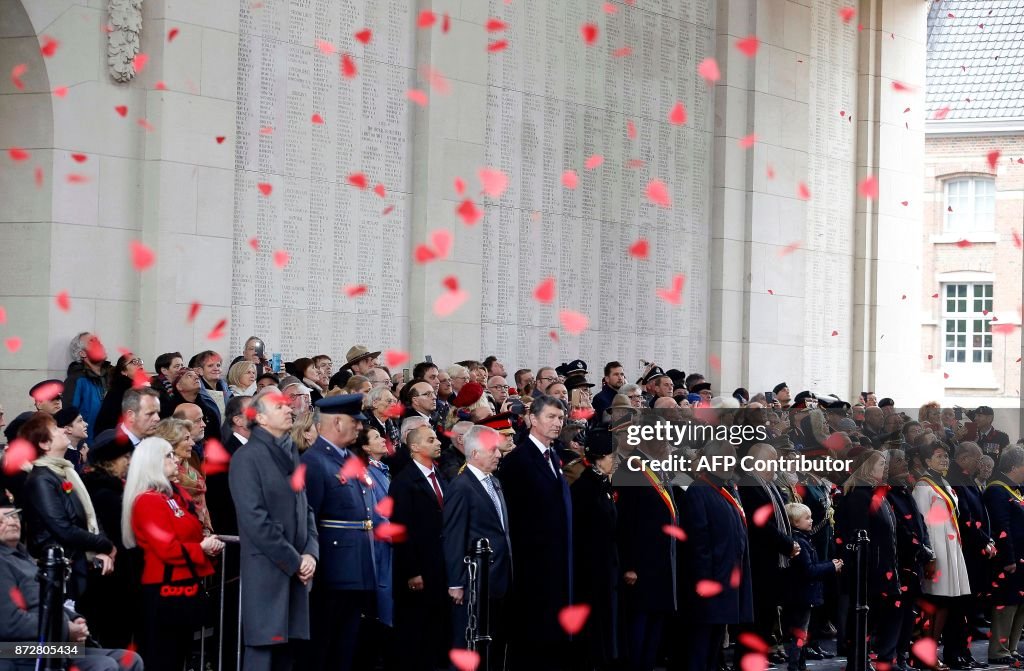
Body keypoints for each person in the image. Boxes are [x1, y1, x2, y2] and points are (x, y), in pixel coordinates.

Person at [229, 387, 318, 671]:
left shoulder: (290, 453)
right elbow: (255, 520)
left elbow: (306, 510)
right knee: (263, 653)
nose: (289, 409)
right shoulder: (247, 457)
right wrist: (296, 561)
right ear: (262, 419)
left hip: (295, 571)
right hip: (269, 571)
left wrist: (311, 554)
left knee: (287, 656)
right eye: (280, 406)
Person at [0, 504, 144, 671]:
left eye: (14, 516)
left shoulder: (25, 558)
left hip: (53, 644)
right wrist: (66, 628)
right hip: (18, 650)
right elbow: (10, 623)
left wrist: (74, 617)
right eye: (3, 519)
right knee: (105, 665)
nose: (12, 522)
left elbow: (49, 600)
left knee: (130, 660)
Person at [123, 437, 224, 671]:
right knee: (164, 655)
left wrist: (204, 544)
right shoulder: (148, 501)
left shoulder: (171, 496)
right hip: (165, 587)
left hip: (181, 583)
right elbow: (165, 547)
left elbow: (191, 528)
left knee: (179, 653)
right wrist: (201, 548)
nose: (176, 459)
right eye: (168, 455)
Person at [498, 395, 573, 670]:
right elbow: (513, 516)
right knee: (531, 639)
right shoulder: (518, 460)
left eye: (560, 418)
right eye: (551, 417)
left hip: (557, 564)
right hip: (531, 567)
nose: (557, 423)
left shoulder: (554, 456)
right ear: (532, 419)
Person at [300, 394, 374, 671]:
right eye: (355, 422)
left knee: (344, 648)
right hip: (330, 571)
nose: (359, 427)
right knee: (322, 647)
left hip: (355, 568)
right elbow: (309, 518)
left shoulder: (346, 458)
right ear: (338, 422)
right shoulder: (315, 462)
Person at [18, 412, 116, 601]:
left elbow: (90, 515)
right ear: (44, 444)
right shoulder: (40, 480)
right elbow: (63, 528)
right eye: (55, 429)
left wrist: (102, 546)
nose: (63, 430)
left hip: (79, 562)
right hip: (62, 569)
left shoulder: (64, 471)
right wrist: (104, 545)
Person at [614, 415, 680, 671]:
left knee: (656, 622)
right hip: (641, 565)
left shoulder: (656, 466)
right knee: (639, 625)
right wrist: (629, 564)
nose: (666, 443)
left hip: (662, 561)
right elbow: (625, 521)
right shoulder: (631, 468)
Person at [442, 425, 512, 665]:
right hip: (474, 583)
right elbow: (453, 536)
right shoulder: (461, 487)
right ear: (475, 454)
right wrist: (455, 583)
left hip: (499, 578)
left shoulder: (494, 482)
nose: (498, 454)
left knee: (493, 645)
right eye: (492, 450)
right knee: (468, 645)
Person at [681, 442, 753, 671]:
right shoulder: (698, 490)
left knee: (714, 647)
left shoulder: (723, 490)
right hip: (710, 584)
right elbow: (698, 542)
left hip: (726, 582)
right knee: (700, 647)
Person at [389, 424, 449, 670]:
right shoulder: (404, 482)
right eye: (431, 439)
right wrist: (412, 570)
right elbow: (400, 529)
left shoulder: (441, 476)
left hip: (441, 566)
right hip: (419, 568)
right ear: (414, 447)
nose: (438, 443)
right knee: (416, 628)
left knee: (437, 627)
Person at [834, 451, 901, 669]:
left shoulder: (872, 492)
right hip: (867, 570)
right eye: (881, 463)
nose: (885, 468)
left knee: (872, 616)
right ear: (867, 467)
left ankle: (865, 657)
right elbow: (860, 536)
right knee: (863, 616)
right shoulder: (858, 496)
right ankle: (858, 660)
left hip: (881, 565)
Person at [736, 443, 799, 666]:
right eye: (772, 460)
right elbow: (760, 523)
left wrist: (790, 542)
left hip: (774, 561)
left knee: (768, 614)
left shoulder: (770, 486)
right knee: (757, 615)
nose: (776, 465)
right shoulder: (749, 484)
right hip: (759, 560)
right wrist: (787, 544)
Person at [77, 428, 137, 649]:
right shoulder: (105, 494)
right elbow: (120, 537)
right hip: (110, 580)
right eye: (126, 457)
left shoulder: (109, 490)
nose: (130, 463)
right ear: (111, 461)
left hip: (114, 578)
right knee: (113, 638)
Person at [914, 442, 972, 670]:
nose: (944, 460)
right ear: (927, 461)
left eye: (946, 456)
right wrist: (929, 554)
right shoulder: (923, 485)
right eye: (938, 456)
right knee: (935, 602)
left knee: (948, 601)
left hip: (951, 545)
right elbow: (921, 522)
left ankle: (939, 651)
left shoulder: (945, 482)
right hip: (937, 546)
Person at [570, 427, 619, 670]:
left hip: (605, 568)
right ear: (599, 456)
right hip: (590, 570)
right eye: (612, 456)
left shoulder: (603, 484)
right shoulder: (584, 487)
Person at [884, 449, 936, 671]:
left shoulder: (905, 490)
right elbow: (899, 528)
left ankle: (903, 655)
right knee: (896, 612)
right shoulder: (886, 493)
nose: (904, 463)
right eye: (898, 461)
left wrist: (927, 548)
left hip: (915, 562)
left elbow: (920, 523)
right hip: (899, 562)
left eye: (904, 459)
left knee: (909, 613)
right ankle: (890, 657)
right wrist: (921, 549)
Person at [781, 503, 842, 671]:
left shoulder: (802, 539)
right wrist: (831, 566)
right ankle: (795, 666)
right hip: (802, 594)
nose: (811, 520)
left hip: (802, 593)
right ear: (795, 522)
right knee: (800, 632)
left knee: (801, 631)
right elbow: (809, 570)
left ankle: (799, 664)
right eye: (807, 518)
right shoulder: (800, 542)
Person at [353, 423, 395, 664]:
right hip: (380, 548)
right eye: (377, 437)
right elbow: (377, 514)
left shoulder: (381, 469)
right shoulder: (367, 472)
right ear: (366, 447)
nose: (383, 440)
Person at [982, 446, 1024, 665]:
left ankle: (1012, 647)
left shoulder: (1016, 489)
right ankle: (998, 649)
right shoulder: (997, 490)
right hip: (1010, 559)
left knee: (1019, 603)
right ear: (1016, 466)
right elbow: (1002, 526)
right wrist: (1009, 559)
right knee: (1006, 603)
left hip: (1022, 557)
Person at [154, 417, 213, 534]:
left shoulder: (193, 471)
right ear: (171, 443)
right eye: (187, 439)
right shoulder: (162, 477)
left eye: (191, 437)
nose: (192, 442)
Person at [63, 332, 112, 442]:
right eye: (92, 342)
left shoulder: (114, 376)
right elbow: (69, 417)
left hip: (113, 444)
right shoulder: (76, 380)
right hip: (88, 447)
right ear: (83, 353)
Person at [163, 368, 221, 442]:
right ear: (179, 386)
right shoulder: (169, 411)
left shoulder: (209, 410)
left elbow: (216, 440)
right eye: (189, 376)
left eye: (196, 375)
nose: (197, 377)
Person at [94, 353, 145, 434]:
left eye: (139, 361)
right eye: (134, 362)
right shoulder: (121, 390)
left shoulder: (139, 388)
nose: (139, 363)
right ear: (124, 371)